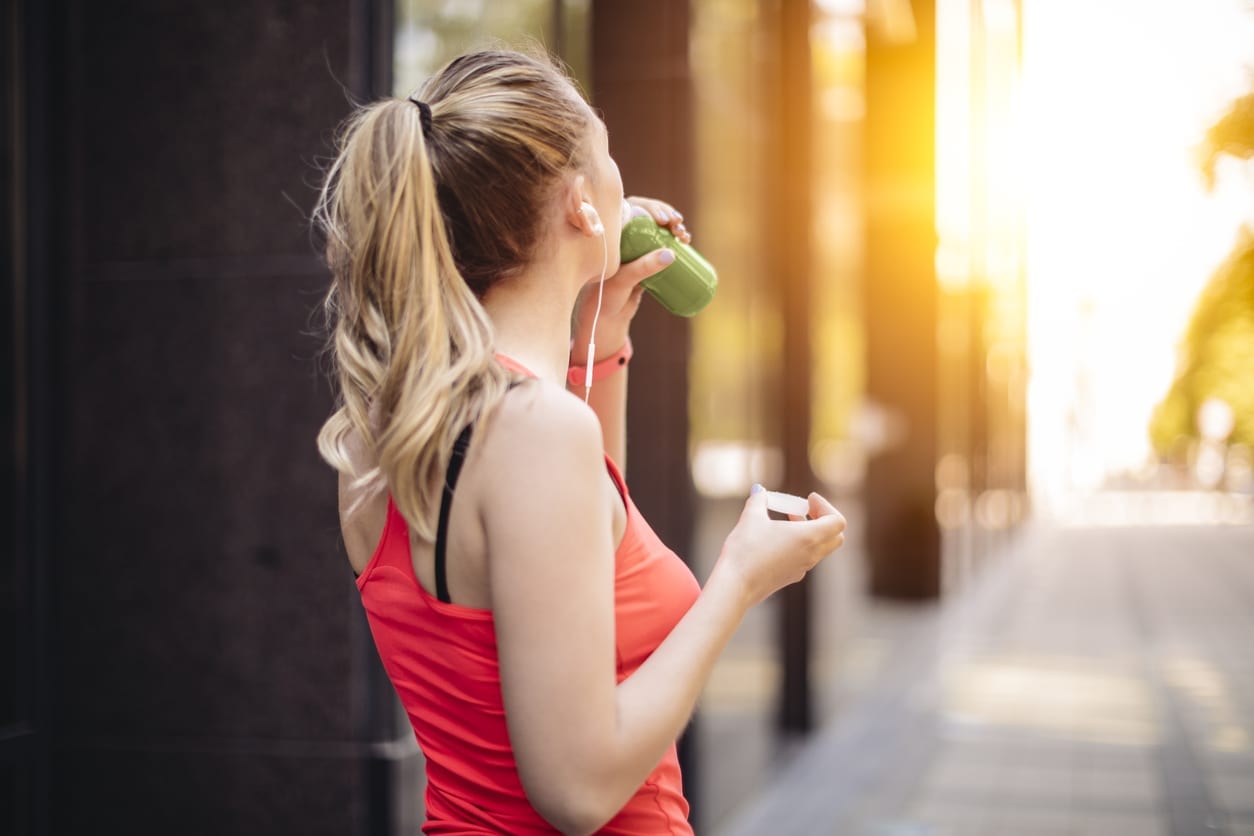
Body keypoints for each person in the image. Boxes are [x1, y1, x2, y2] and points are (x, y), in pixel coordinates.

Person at [315, 48, 847, 835]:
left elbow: (582, 580)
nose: (624, 185)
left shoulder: (377, 437)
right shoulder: (536, 431)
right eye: (608, 159)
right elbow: (577, 790)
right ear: (579, 204)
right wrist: (736, 581)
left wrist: (602, 347)